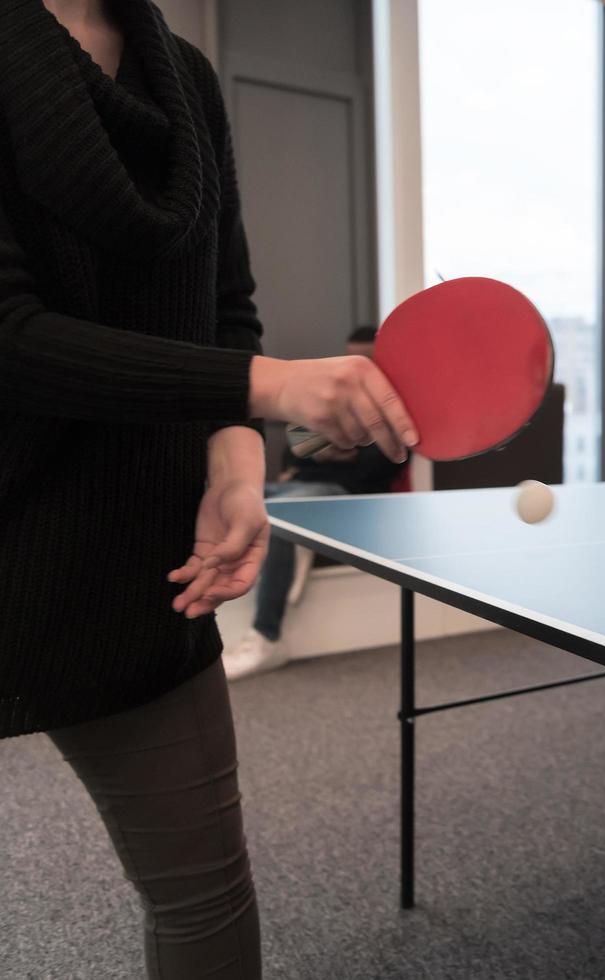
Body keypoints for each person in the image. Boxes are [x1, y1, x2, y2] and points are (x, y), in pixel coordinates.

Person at [0, 3, 417, 977]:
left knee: (202, 896)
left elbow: (223, 303)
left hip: (140, 557)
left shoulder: (182, 77)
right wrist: (263, 388)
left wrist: (236, 459)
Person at [224, 327, 409, 681]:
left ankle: (266, 636)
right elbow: (296, 448)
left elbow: (382, 465)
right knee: (216, 492)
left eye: (369, 357)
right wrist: (324, 456)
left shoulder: (394, 407)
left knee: (281, 515)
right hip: (300, 486)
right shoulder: (336, 400)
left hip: (348, 496)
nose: (360, 365)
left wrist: (332, 457)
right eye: (353, 355)